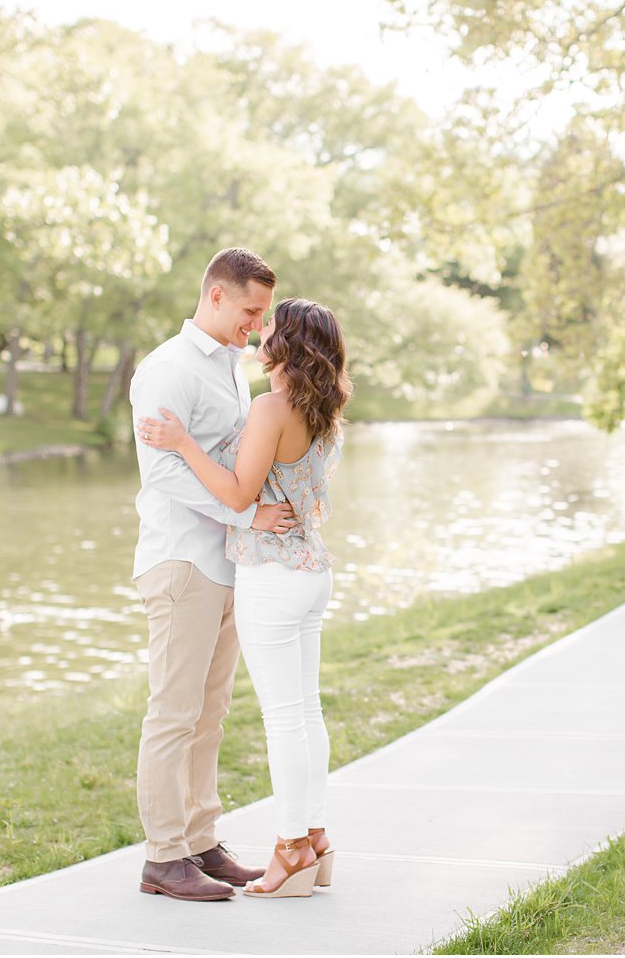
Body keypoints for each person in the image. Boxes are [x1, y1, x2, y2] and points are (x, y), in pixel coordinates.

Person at [137, 296, 350, 899]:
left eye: (270, 327)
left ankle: (288, 850)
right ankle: (313, 838)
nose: (259, 333)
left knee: (286, 718)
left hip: (274, 577)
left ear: (288, 346)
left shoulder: (269, 408)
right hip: (311, 571)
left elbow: (236, 495)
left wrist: (182, 441)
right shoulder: (325, 409)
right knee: (306, 712)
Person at [128, 247, 299, 903]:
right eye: (251, 311)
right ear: (218, 296)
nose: (257, 326)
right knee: (173, 713)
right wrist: (249, 510)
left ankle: (200, 840)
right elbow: (165, 472)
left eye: (263, 315)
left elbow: (228, 454)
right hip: (181, 562)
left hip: (225, 557)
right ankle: (162, 855)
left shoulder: (231, 366)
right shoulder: (166, 370)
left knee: (211, 712)